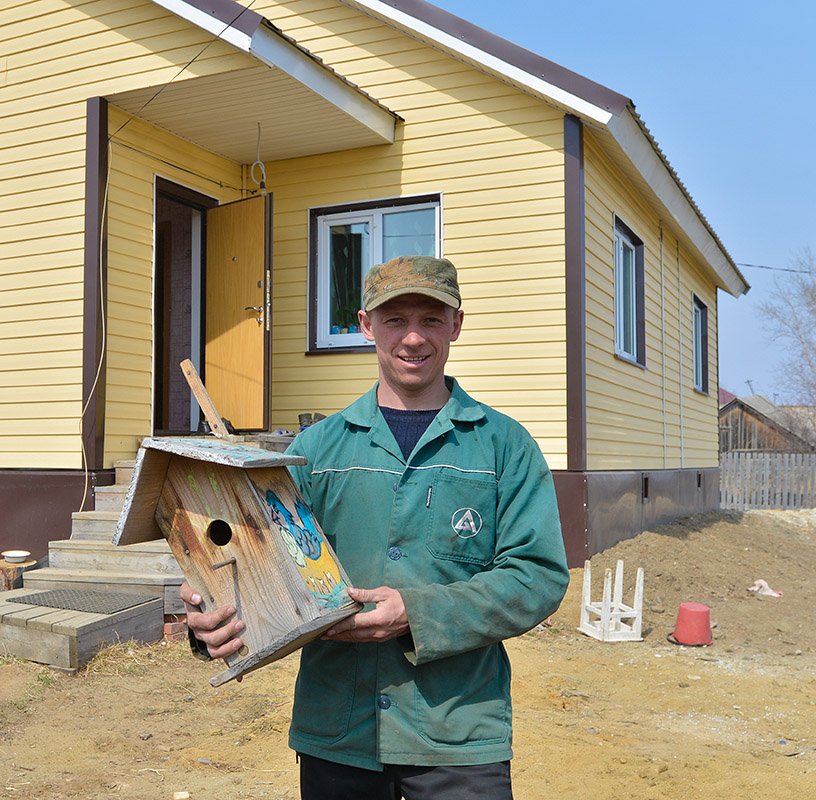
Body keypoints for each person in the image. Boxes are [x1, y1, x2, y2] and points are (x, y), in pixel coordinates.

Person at [182, 254, 569, 800]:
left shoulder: (503, 447)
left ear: (456, 325)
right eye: (395, 320)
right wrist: (214, 612)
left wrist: (418, 613)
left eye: (431, 319)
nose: (413, 338)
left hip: (458, 733)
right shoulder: (315, 452)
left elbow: (537, 576)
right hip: (337, 731)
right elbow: (264, 564)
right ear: (366, 326)